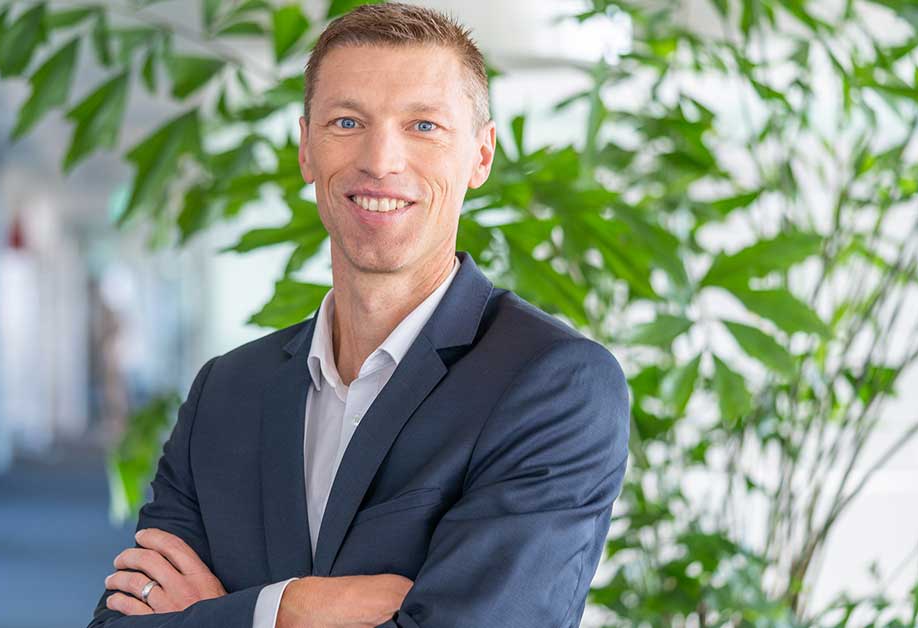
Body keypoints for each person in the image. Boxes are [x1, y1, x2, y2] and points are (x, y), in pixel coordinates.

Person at [88, 3, 629, 627]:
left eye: (423, 126)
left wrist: (225, 614)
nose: (380, 160)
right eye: (347, 121)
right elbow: (120, 621)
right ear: (306, 149)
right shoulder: (226, 391)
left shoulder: (553, 384)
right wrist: (291, 609)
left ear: (480, 157)